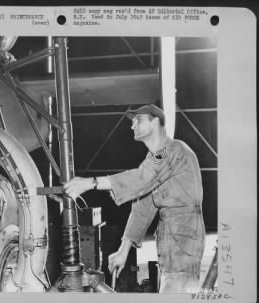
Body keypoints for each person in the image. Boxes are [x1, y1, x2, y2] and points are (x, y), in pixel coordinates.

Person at [63, 104, 205, 293]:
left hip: (183, 238)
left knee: (175, 301)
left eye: (138, 120)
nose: (132, 126)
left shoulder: (171, 150)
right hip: (172, 239)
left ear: (155, 122)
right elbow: (143, 207)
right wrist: (123, 250)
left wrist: (91, 183)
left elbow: (142, 178)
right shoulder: (154, 158)